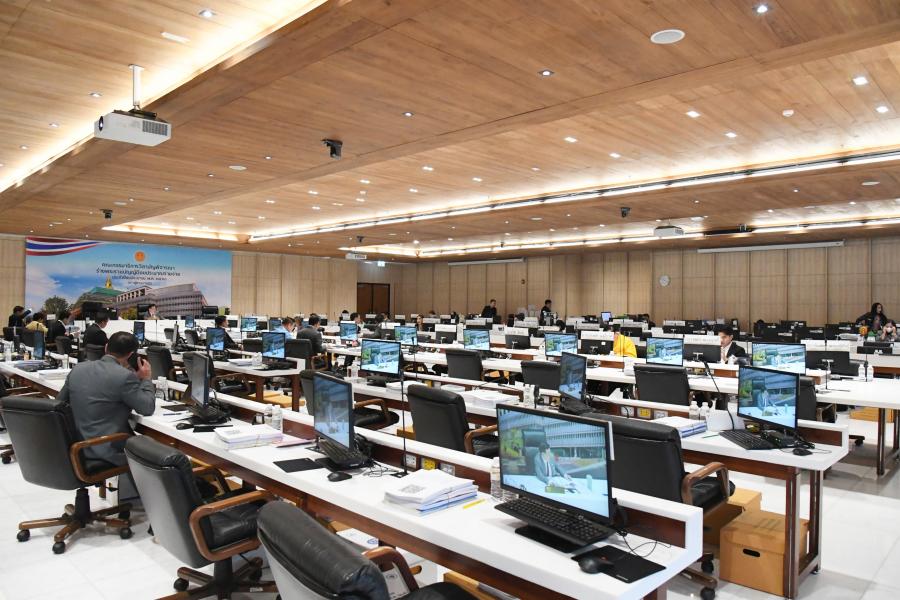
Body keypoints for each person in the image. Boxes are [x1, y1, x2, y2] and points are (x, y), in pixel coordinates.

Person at [59, 331, 154, 468]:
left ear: (106, 347)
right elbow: (147, 408)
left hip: (75, 447)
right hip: (108, 451)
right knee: (154, 451)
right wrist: (146, 379)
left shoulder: (78, 369)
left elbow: (58, 404)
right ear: (130, 355)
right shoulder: (125, 376)